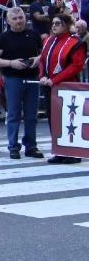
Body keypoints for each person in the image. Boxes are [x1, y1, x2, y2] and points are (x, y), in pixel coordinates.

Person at [0, 6, 43, 160]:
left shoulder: (33, 35)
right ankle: (13, 146)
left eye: (20, 18)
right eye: (14, 19)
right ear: (8, 21)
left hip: (32, 78)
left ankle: (31, 146)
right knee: (13, 114)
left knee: (31, 115)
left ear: (25, 18)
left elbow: (43, 52)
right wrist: (11, 63)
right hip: (13, 78)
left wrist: (37, 60)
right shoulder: (3, 38)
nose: (18, 21)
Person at [39, 14, 87, 163]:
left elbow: (77, 65)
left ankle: (73, 153)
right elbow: (42, 60)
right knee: (54, 119)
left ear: (66, 25)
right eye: (53, 23)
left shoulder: (75, 42)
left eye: (58, 23)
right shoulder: (48, 40)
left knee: (70, 119)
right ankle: (60, 150)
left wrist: (55, 79)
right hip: (50, 85)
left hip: (68, 86)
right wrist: (42, 76)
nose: (54, 26)